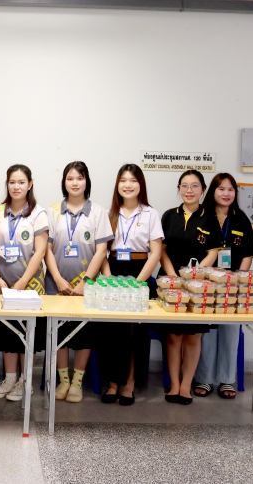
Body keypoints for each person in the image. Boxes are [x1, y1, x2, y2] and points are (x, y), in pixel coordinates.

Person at [45, 161, 113, 404]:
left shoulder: (99, 212)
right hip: (57, 284)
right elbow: (46, 250)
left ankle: (77, 382)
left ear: (87, 181)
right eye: (70, 178)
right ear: (64, 182)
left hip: (87, 286)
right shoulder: (53, 211)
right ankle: (63, 380)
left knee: (85, 334)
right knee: (59, 333)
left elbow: (101, 250)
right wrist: (57, 279)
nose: (75, 183)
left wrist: (85, 281)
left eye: (80, 178)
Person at [98, 164, 163, 406]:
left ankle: (130, 384)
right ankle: (113, 383)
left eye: (133, 180)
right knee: (112, 331)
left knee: (136, 333)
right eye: (123, 180)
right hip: (113, 273)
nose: (128, 185)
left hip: (140, 274)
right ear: (117, 185)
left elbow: (156, 253)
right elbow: (102, 252)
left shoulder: (151, 214)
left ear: (140, 184)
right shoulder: (108, 214)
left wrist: (137, 284)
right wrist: (109, 281)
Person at [0, 165, 49, 402]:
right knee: (7, 334)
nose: (16, 187)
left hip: (29, 286)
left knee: (26, 333)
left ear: (30, 184)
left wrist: (22, 282)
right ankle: (9, 379)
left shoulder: (38, 213)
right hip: (2, 284)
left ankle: (25, 381)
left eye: (21, 182)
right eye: (12, 182)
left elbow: (40, 251)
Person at [160, 170, 222, 405]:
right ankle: (174, 384)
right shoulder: (169, 216)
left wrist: (193, 277)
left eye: (195, 186)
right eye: (184, 185)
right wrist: (174, 277)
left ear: (203, 190)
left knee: (194, 336)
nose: (189, 190)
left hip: (198, 288)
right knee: (174, 336)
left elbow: (213, 252)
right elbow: (161, 251)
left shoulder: (210, 218)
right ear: (179, 189)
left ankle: (186, 385)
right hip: (171, 285)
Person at [192, 172, 253, 400]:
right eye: (221, 189)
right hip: (206, 284)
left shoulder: (241, 219)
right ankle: (204, 378)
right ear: (213, 191)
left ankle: (227, 379)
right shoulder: (202, 216)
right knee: (207, 333)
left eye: (230, 189)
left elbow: (248, 254)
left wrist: (239, 279)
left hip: (232, 285)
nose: (226, 193)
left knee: (230, 333)